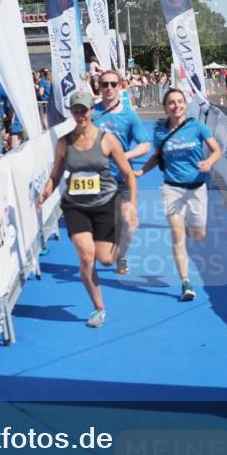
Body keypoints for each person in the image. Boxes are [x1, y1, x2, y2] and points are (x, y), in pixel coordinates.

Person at [37, 91, 138, 328]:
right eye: (76, 110)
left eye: (84, 110)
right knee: (86, 257)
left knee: (105, 259)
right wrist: (44, 193)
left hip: (105, 204)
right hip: (76, 206)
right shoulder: (64, 142)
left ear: (92, 111)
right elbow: (55, 174)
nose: (81, 114)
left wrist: (131, 205)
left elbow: (128, 175)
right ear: (72, 113)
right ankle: (98, 308)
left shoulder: (107, 139)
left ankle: (121, 249)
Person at [136, 88, 222, 302]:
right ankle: (186, 283)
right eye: (172, 103)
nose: (176, 106)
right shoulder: (160, 132)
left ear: (185, 104)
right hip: (171, 188)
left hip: (196, 188)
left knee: (199, 235)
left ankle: (188, 227)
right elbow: (157, 157)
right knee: (177, 236)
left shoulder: (197, 127)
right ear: (165, 108)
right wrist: (141, 171)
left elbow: (217, 150)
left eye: (180, 101)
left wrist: (209, 162)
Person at [92, 69, 152, 275]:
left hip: (122, 177)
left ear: (120, 87)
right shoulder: (91, 113)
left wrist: (123, 156)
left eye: (113, 84)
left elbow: (145, 145)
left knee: (128, 220)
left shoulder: (129, 115)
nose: (108, 88)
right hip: (96, 179)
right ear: (98, 87)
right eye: (104, 84)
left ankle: (121, 254)